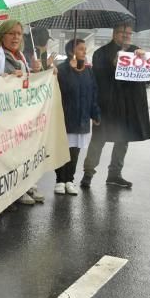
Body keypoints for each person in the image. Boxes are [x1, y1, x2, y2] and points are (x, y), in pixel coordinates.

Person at [82, 23, 150, 189]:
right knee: (98, 140)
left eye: (129, 33)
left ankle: (114, 174)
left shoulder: (136, 51)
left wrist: (145, 58)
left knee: (123, 140)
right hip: (107, 105)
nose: (126, 36)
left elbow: (147, 75)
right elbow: (96, 78)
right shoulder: (101, 53)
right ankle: (88, 174)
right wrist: (113, 65)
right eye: (122, 33)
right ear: (114, 34)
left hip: (128, 106)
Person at [0, 19, 45, 205]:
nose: (15, 37)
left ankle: (26, 184)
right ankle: (15, 190)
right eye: (11, 33)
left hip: (22, 112)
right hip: (7, 114)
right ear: (2, 35)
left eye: (19, 34)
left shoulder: (20, 55)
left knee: (24, 150)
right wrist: (6, 78)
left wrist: (36, 71)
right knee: (10, 153)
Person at [55, 39, 101, 196]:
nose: (84, 51)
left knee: (75, 151)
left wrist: (95, 113)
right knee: (63, 149)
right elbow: (59, 92)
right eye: (81, 49)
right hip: (65, 116)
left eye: (85, 49)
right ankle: (60, 180)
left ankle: (70, 180)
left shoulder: (88, 71)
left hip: (82, 118)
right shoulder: (61, 70)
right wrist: (70, 70)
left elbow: (93, 93)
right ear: (71, 52)